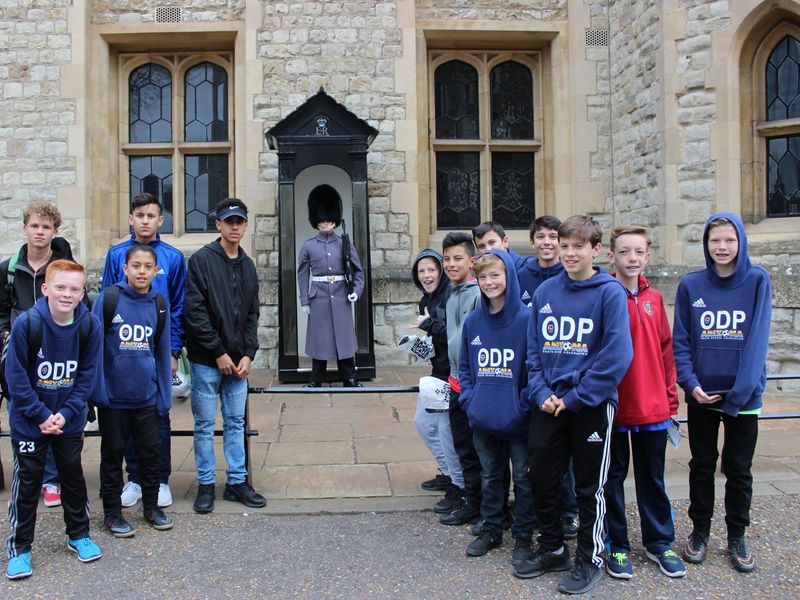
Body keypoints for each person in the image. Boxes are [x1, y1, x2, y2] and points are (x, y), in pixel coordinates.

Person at [518, 215, 633, 595]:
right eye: (564, 246)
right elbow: (533, 353)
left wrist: (574, 398)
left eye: (577, 246)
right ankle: (552, 548)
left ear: (595, 250)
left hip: (590, 406)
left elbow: (616, 357)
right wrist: (540, 393)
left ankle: (590, 557)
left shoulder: (609, 293)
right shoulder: (546, 292)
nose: (569, 253)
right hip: (548, 404)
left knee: (589, 488)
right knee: (543, 479)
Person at [673, 213, 772, 574]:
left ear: (740, 241)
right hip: (702, 395)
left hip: (743, 398)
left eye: (729, 240)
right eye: (716, 241)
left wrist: (741, 393)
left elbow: (758, 340)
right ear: (706, 244)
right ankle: (700, 530)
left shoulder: (758, 280)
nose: (722, 247)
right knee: (701, 466)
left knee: (738, 468)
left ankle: (736, 535)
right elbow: (682, 341)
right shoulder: (691, 285)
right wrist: (691, 384)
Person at [4, 260, 103, 580]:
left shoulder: (90, 326)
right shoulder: (27, 324)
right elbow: (16, 377)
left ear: (82, 293)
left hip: (68, 420)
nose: (67, 294)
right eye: (60, 287)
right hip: (30, 421)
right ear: (45, 289)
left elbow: (87, 377)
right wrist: (42, 415)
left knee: (73, 479)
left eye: (75, 288)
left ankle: (79, 535)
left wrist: (66, 413)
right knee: (28, 485)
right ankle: (20, 548)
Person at [604, 225, 685, 579]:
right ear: (612, 256)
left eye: (638, 252)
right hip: (616, 408)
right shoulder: (604, 295)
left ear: (647, 256)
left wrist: (671, 403)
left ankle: (659, 542)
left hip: (653, 407)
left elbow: (666, 352)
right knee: (613, 478)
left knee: (653, 478)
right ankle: (617, 546)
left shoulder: (653, 300)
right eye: (624, 251)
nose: (632, 258)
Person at [101, 192, 187, 509]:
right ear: (131, 218)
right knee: (125, 416)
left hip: (157, 349)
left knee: (157, 417)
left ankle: (159, 479)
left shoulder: (173, 258)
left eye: (151, 216)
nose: (145, 221)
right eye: (140, 215)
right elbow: (109, 302)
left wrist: (174, 350)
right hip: (124, 348)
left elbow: (178, 306)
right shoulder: (115, 255)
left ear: (160, 220)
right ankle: (135, 479)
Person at [185, 198, 265, 513]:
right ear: (218, 224)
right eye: (228, 221)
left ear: (245, 225)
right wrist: (217, 351)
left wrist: (248, 353)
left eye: (239, 222)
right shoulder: (202, 261)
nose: (234, 227)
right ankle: (205, 485)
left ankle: (237, 482)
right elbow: (195, 312)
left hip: (238, 364)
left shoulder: (247, 265)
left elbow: (252, 314)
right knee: (204, 424)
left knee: (235, 422)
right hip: (208, 361)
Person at [458, 250, 535, 571]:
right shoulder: (474, 321)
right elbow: (465, 368)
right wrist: (471, 401)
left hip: (518, 419)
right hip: (484, 416)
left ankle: (523, 536)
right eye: (483, 277)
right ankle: (492, 527)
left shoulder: (527, 319)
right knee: (491, 475)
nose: (489, 282)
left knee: (524, 479)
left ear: (509, 277)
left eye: (495, 275)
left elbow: (535, 369)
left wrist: (522, 405)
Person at [0, 201, 81, 509]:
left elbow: (76, 304)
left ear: (55, 231)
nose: (40, 232)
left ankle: (50, 479)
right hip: (22, 351)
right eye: (34, 225)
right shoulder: (8, 269)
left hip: (56, 351)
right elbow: (1, 310)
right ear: (25, 228)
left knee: (53, 410)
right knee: (24, 412)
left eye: (46, 227)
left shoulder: (62, 269)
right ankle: (28, 477)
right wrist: (6, 334)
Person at [93, 244, 174, 538]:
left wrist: (164, 396)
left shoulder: (159, 304)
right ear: (125, 269)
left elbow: (163, 353)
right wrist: (97, 392)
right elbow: (94, 348)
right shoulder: (109, 300)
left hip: (147, 399)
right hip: (113, 399)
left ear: (156, 271)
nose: (142, 271)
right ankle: (112, 513)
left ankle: (151, 507)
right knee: (112, 456)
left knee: (151, 455)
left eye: (147, 267)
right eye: (136, 266)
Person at [410, 249, 463, 515]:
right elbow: (436, 343)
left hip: (451, 375)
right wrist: (419, 346)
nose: (427, 275)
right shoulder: (425, 301)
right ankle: (449, 472)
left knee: (445, 432)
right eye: (421, 271)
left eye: (431, 269)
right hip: (437, 373)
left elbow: (454, 335)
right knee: (423, 423)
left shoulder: (451, 296)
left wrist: (429, 325)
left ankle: (459, 485)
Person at [297, 184, 365, 387]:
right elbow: (302, 274)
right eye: (322, 219)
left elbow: (358, 271)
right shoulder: (309, 245)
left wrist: (356, 292)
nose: (326, 223)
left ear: (335, 220)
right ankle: (316, 378)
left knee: (344, 337)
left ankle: (349, 377)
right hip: (318, 296)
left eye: (329, 219)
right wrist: (304, 300)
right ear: (316, 222)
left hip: (341, 294)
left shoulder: (344, 243)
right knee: (320, 338)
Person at [438, 232, 483, 527]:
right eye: (446, 259)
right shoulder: (451, 292)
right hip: (455, 381)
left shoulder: (479, 293)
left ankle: (483, 505)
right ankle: (471, 499)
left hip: (474, 384)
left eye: (458, 258)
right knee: (463, 447)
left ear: (472, 261)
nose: (451, 265)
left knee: (478, 450)